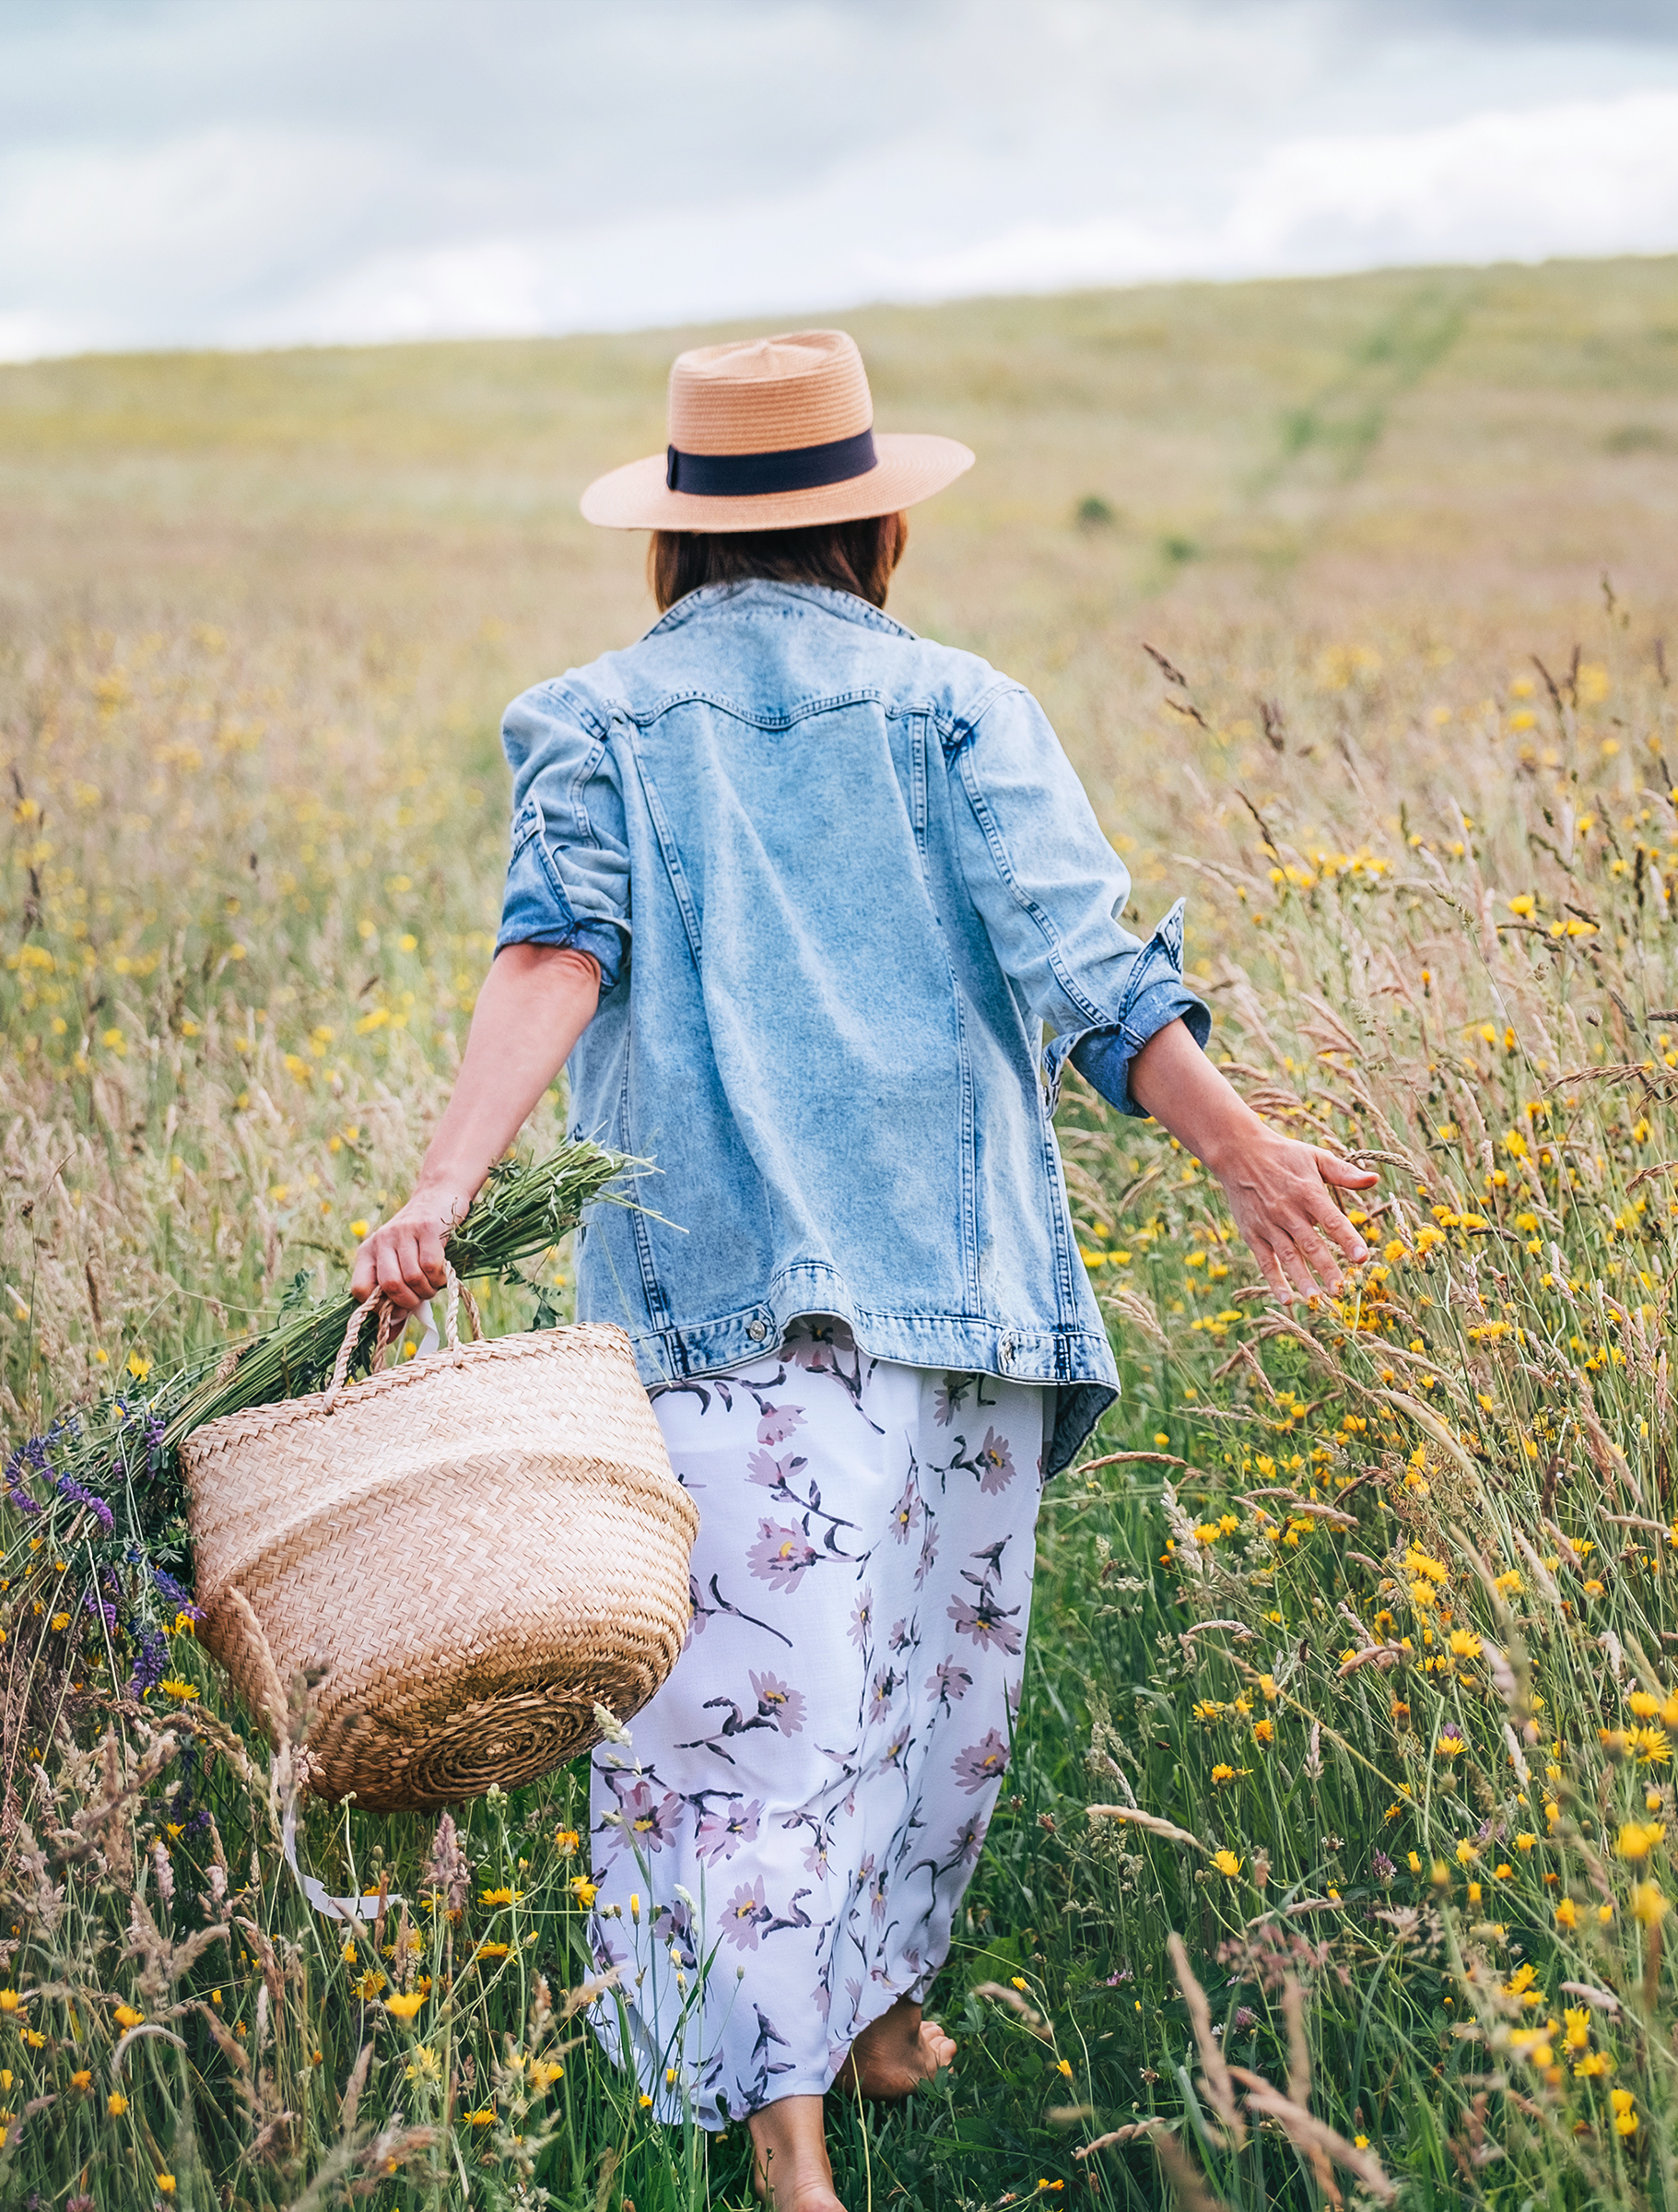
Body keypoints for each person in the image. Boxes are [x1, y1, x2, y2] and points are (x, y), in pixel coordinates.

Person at [349, 329, 1372, 2212]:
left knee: (745, 1719)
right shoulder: (965, 705)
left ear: (675, 540)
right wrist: (1251, 1155)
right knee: (930, 1687)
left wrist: (438, 1193)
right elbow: (1092, 974)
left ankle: (852, 2047)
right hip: (959, 1299)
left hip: (719, 1310)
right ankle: (807, 2141)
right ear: (878, 531)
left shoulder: (593, 715)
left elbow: (551, 955)